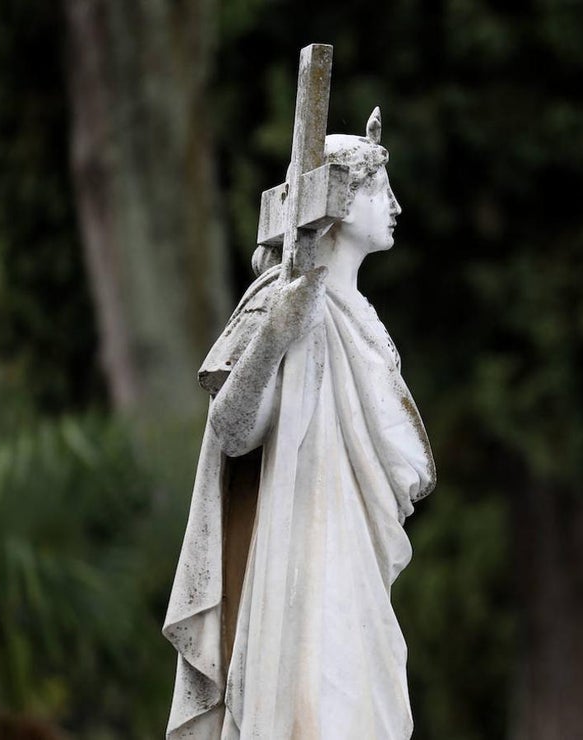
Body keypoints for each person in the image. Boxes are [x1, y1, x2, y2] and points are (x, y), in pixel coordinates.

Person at [163, 108, 436, 739]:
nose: (395, 205)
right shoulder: (277, 300)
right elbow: (231, 428)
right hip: (300, 561)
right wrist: (279, 333)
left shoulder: (364, 318)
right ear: (337, 203)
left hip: (358, 558)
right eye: (379, 189)